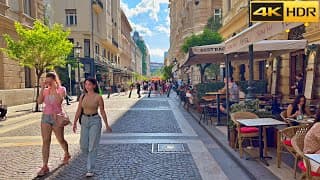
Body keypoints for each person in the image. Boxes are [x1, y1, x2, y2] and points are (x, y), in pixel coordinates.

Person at [72, 78, 112, 177]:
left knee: (93, 145)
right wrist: (75, 122)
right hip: (85, 121)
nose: (87, 86)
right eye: (86, 84)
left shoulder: (98, 97)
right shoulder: (82, 96)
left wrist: (107, 125)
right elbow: (78, 110)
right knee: (83, 145)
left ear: (94, 86)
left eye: (89, 84)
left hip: (95, 121)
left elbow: (102, 111)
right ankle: (90, 157)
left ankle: (90, 168)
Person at [37, 72, 70, 177]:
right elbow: (39, 102)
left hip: (57, 117)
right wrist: (42, 88)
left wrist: (55, 88)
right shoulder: (45, 91)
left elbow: (58, 101)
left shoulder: (62, 89)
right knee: (46, 141)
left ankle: (66, 153)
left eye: (49, 81)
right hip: (46, 117)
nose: (48, 83)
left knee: (61, 139)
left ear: (55, 80)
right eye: (46, 81)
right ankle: (45, 166)